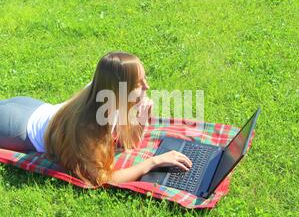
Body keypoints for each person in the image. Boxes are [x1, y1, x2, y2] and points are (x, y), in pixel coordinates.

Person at [0, 51, 192, 186]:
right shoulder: (90, 127)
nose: (147, 87)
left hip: (35, 106)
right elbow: (103, 178)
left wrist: (140, 117)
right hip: (17, 128)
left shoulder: (106, 90)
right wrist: (153, 162)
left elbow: (130, 143)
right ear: (118, 89)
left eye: (144, 79)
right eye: (138, 84)